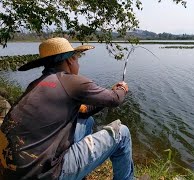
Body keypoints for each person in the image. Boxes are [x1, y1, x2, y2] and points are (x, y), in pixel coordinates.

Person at [0, 37, 134, 180]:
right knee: (122, 133)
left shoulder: (35, 85)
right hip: (46, 174)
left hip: (10, 171)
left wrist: (109, 93)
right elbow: (115, 99)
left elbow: (83, 111)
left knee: (86, 121)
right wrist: (121, 88)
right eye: (77, 59)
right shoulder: (72, 81)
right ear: (70, 60)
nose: (78, 63)